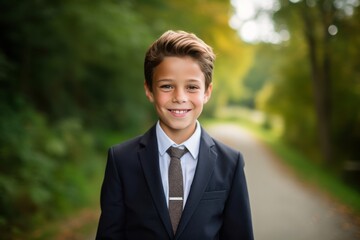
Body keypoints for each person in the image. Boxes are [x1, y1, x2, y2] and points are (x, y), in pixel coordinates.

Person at [95, 30, 254, 240]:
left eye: (191, 87)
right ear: (149, 90)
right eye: (167, 86)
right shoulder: (121, 160)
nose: (179, 97)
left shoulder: (230, 164)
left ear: (207, 92)